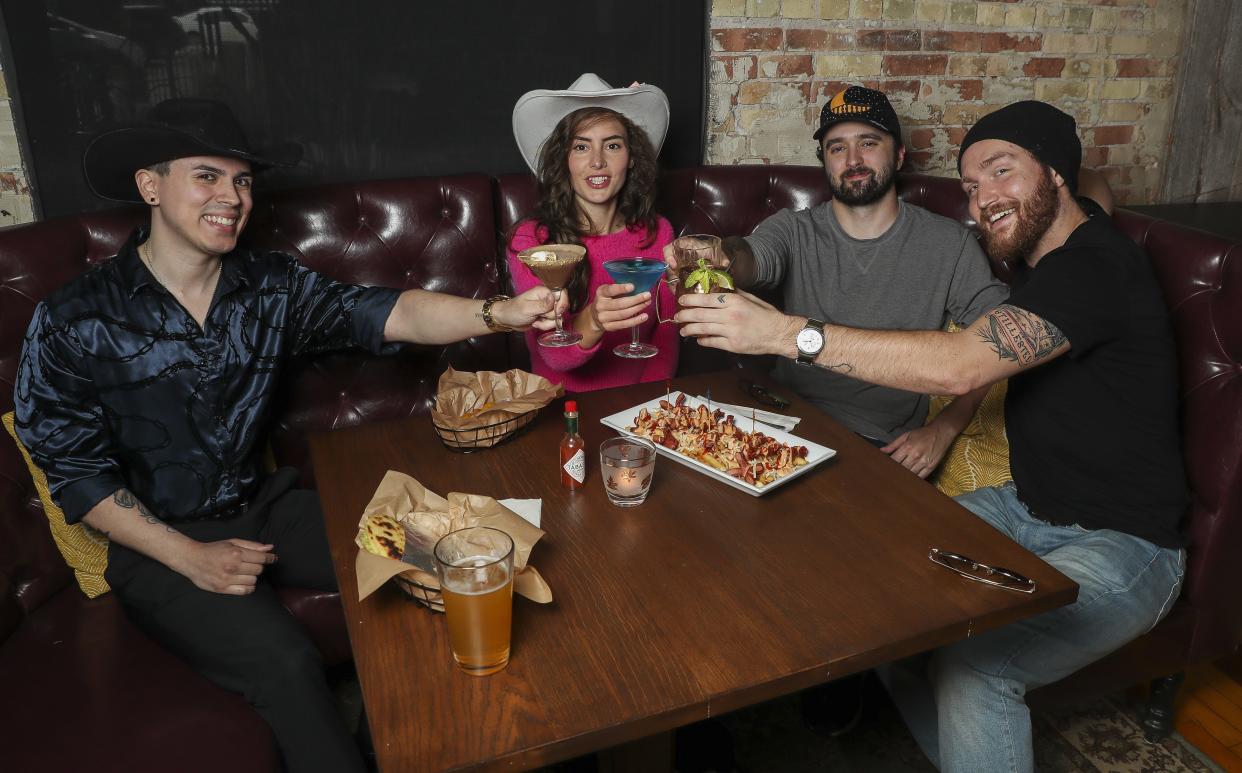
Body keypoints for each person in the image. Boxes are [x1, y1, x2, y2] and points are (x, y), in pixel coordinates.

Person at [12, 99, 557, 773]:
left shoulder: (270, 286)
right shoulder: (73, 317)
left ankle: (418, 747)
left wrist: (500, 310)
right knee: (286, 661)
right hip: (156, 544)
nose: (231, 197)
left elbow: (391, 311)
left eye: (241, 181)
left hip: (268, 510)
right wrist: (189, 556)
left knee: (445, 548)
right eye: (207, 177)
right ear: (150, 186)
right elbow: (73, 471)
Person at [676, 100, 1187, 772]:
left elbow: (960, 365)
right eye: (973, 186)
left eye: (1002, 173)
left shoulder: (1094, 266)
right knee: (873, 597)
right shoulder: (1055, 246)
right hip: (1023, 508)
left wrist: (783, 333)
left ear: (1053, 175)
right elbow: (1092, 187)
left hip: (1126, 542)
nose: (984, 199)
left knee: (977, 669)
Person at [668, 85, 1010, 480]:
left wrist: (944, 428)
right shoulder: (794, 229)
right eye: (836, 148)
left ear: (898, 154)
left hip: (874, 443)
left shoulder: (949, 244)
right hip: (781, 421)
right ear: (824, 161)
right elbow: (750, 257)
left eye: (868, 143)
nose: (852, 159)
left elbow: (999, 345)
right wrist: (722, 257)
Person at [508, 73, 678, 392]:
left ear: (630, 159)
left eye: (612, 145)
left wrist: (648, 410)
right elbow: (553, 356)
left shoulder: (659, 233)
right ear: (565, 160)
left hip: (640, 411)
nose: (597, 162)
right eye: (581, 147)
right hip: (561, 413)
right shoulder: (532, 241)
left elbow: (665, 337)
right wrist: (596, 320)